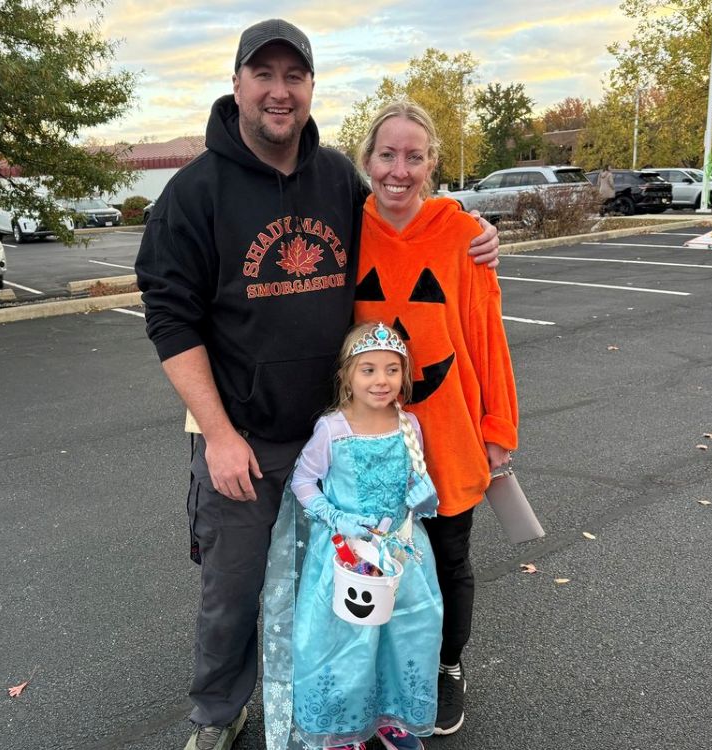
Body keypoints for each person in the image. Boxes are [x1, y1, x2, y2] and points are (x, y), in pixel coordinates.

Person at [134, 19, 500, 750]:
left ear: (309, 88)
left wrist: (468, 228)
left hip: (345, 435)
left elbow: (401, 218)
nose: (280, 91)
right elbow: (170, 321)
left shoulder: (336, 177)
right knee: (232, 590)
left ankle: (346, 707)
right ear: (237, 83)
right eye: (263, 75)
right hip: (247, 439)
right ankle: (219, 713)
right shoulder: (194, 193)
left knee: (347, 586)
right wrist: (218, 436)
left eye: (293, 76)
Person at [352, 100, 519, 737]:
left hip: (445, 432)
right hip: (371, 436)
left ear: (432, 164)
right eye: (387, 155)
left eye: (414, 157)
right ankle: (384, 666)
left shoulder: (460, 234)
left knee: (448, 559)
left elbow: (485, 334)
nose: (399, 170)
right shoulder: (346, 232)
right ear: (367, 160)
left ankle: (448, 664)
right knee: (374, 558)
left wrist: (498, 426)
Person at [262, 321, 444, 750]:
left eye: (392, 370)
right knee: (345, 642)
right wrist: (336, 517)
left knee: (406, 634)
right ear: (347, 375)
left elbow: (413, 480)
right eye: (368, 370)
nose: (382, 380)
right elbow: (303, 482)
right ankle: (343, 727)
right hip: (347, 556)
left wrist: (424, 496)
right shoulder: (333, 429)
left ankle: (391, 717)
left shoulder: (408, 424)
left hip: (402, 554)